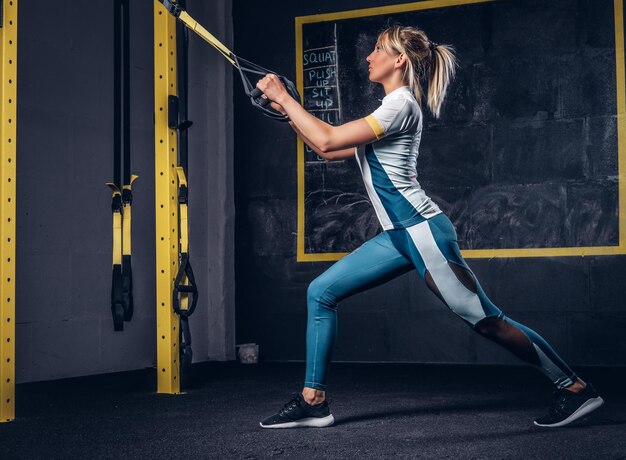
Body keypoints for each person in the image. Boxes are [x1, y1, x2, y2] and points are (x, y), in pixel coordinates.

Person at [254, 25, 604, 429]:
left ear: (399, 59)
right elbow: (327, 149)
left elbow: (330, 140)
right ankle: (313, 400)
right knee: (322, 292)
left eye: (378, 50)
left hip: (422, 232)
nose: (369, 57)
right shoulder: (387, 110)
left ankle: (575, 387)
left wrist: (284, 96)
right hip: (399, 237)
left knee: (485, 319)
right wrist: (288, 113)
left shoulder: (400, 105)